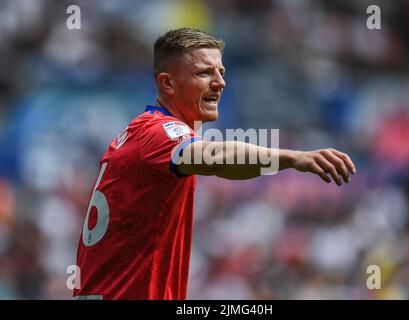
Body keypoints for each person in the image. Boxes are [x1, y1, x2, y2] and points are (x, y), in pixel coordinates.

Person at [73, 28, 356, 300]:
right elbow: (218, 159)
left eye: (221, 72)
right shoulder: (159, 133)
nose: (220, 82)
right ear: (167, 83)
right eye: (204, 72)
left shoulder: (141, 133)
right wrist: (296, 158)